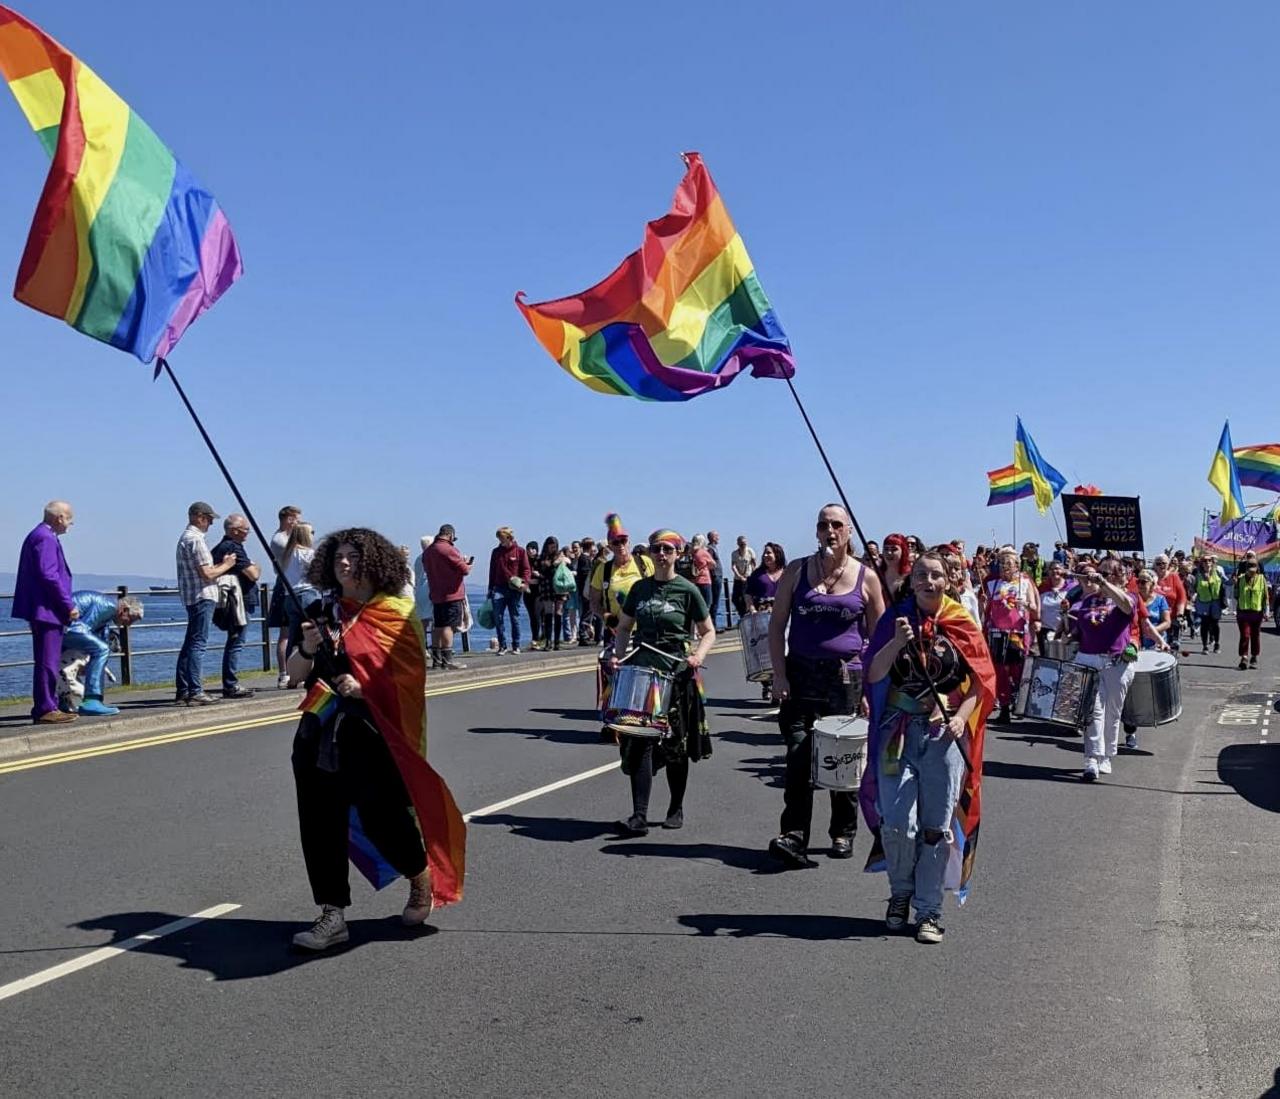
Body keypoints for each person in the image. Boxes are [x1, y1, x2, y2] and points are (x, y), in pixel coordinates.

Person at [286, 527, 467, 951]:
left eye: (353, 556)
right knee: (319, 823)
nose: (344, 564)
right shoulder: (322, 610)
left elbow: (407, 679)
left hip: (372, 734)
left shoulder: (396, 615)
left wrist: (364, 688)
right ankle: (332, 914)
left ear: (374, 563)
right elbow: (295, 674)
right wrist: (309, 650)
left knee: (381, 818)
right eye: (337, 558)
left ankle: (419, 873)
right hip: (318, 731)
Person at [861, 550, 996, 944]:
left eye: (936, 575)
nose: (928, 581)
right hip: (897, 733)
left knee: (936, 828)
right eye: (921, 574)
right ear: (912, 578)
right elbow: (874, 672)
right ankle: (900, 894)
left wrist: (959, 714)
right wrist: (895, 643)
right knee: (899, 823)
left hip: (945, 739)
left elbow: (982, 680)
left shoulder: (960, 621)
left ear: (949, 580)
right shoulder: (896, 618)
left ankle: (929, 911)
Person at [767, 504, 885, 866]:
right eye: (823, 525)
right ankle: (795, 835)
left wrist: (870, 690)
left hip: (844, 679)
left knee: (843, 758)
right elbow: (775, 626)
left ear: (849, 531)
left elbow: (879, 639)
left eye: (837, 525)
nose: (829, 531)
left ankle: (843, 831)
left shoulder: (866, 577)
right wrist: (780, 675)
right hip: (801, 675)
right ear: (816, 531)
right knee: (799, 757)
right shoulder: (797, 571)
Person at [608, 529, 716, 835]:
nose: (661, 554)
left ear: (678, 554)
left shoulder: (688, 590)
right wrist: (619, 657)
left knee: (675, 745)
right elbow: (626, 627)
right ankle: (639, 815)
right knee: (639, 741)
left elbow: (708, 630)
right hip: (643, 672)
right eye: (656, 549)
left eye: (667, 549)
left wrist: (697, 655)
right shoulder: (640, 589)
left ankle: (675, 807)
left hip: (676, 672)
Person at [1067, 560, 1137, 781]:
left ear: (1117, 576)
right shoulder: (1087, 600)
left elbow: (1126, 606)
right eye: (1100, 573)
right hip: (1088, 659)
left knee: (1112, 713)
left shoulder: (1127, 598)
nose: (1098, 576)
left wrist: (1105, 584)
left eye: (1106, 573)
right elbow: (1080, 629)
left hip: (1116, 663)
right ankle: (1091, 758)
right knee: (1092, 711)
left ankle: (1107, 754)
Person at [12, 501, 79, 725]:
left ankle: (47, 704)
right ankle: (45, 707)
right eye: (69, 519)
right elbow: (49, 576)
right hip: (47, 609)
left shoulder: (40, 535)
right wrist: (67, 605)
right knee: (47, 660)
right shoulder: (45, 538)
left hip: (42, 608)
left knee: (46, 659)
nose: (71, 524)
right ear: (59, 517)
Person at [175, 502, 238, 706]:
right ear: (199, 517)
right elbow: (207, 573)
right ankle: (195, 690)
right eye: (209, 519)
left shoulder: (185, 538)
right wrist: (227, 565)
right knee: (198, 644)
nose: (211, 523)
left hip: (191, 596)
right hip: (202, 596)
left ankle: (184, 689)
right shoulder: (196, 540)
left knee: (190, 643)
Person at [60, 592, 144, 715]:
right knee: (102, 649)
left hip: (58, 623)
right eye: (131, 619)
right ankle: (92, 700)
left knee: (65, 663)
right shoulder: (108, 607)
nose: (128, 625)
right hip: (68, 626)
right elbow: (85, 627)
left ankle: (61, 700)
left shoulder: (107, 611)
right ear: (124, 610)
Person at [982, 549, 1040, 723]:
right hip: (997, 633)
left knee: (1018, 670)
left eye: (1008, 563)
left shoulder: (1024, 582)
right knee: (1000, 671)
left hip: (1018, 634)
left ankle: (1020, 703)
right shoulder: (993, 584)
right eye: (1002, 563)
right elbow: (986, 610)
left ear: (1017, 565)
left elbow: (1035, 608)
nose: (1004, 567)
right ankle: (1004, 707)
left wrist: (1026, 604)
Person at [211, 514, 263, 699]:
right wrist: (257, 567)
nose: (247, 533)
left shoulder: (220, 547)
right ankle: (230, 684)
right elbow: (253, 574)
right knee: (236, 642)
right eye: (245, 530)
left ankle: (230, 683)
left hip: (231, 601)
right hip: (238, 601)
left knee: (235, 641)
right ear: (234, 530)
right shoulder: (233, 548)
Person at [424, 524, 471, 670]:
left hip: (436, 593)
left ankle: (437, 660)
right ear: (450, 535)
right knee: (448, 626)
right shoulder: (448, 549)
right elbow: (464, 570)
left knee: (437, 626)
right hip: (451, 594)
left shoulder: (428, 552)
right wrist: (467, 565)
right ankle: (448, 660)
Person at [268, 506, 302, 688]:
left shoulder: (287, 538)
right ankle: (284, 673)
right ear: (288, 519)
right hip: (285, 584)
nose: (298, 523)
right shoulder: (280, 540)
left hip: (291, 584)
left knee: (294, 631)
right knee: (286, 632)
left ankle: (294, 670)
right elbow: (298, 553)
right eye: (296, 519)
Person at [279, 521, 317, 670]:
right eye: (312, 533)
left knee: (293, 636)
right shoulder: (307, 554)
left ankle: (289, 672)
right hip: (307, 594)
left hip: (290, 596)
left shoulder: (287, 555)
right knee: (311, 634)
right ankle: (311, 669)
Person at [488, 527, 531, 655]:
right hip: (499, 588)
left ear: (509, 537)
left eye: (502, 538)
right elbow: (492, 571)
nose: (500, 540)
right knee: (498, 617)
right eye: (499, 538)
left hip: (514, 589)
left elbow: (526, 569)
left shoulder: (520, 551)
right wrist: (490, 589)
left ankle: (516, 645)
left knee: (515, 617)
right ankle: (502, 645)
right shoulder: (496, 552)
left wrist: (524, 583)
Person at [535, 536, 570, 652]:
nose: (553, 548)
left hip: (559, 586)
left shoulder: (560, 555)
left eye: (554, 546)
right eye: (551, 546)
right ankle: (549, 641)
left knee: (558, 613)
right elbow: (541, 569)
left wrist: (563, 561)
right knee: (548, 613)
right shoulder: (542, 557)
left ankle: (556, 642)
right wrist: (554, 564)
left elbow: (568, 566)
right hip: (547, 586)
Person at [1234, 554, 1268, 671]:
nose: (1251, 571)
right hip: (1243, 612)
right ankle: (1244, 657)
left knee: (1255, 635)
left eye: (1254, 568)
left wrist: (1266, 611)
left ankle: (1254, 656)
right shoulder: (1240, 578)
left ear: (1257, 568)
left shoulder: (1262, 579)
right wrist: (1235, 584)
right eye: (1250, 567)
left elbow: (1265, 597)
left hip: (1257, 613)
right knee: (1245, 635)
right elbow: (1235, 595)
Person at [1151, 554, 1186, 655]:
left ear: (1168, 564)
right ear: (1155, 565)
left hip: (1172, 618)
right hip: (1156, 619)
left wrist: (1180, 614)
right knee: (1157, 648)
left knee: (1171, 647)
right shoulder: (1151, 578)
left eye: (1164, 563)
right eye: (1158, 563)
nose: (1161, 565)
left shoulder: (1174, 577)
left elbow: (1181, 596)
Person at [1193, 555, 1225, 655]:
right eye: (1205, 561)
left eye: (1209, 560)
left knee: (1215, 624)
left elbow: (1228, 582)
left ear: (1212, 562)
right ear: (1202, 563)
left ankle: (1217, 644)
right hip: (1203, 603)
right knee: (1205, 624)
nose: (1207, 562)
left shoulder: (1218, 572)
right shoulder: (1197, 574)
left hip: (1215, 602)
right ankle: (1205, 646)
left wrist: (1234, 579)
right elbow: (1193, 588)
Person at [1037, 560, 1071, 654]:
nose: (1054, 571)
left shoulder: (1072, 588)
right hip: (1045, 631)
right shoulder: (1042, 588)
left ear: (1063, 570)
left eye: (1057, 569)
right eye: (1051, 569)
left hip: (1065, 632)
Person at [745, 542, 786, 612]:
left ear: (777, 554)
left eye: (768, 553)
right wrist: (752, 609)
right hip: (761, 612)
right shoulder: (757, 574)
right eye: (764, 553)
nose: (765, 555)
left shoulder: (788, 573)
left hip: (783, 611)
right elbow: (748, 595)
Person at [730, 535, 757, 618]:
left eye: (744, 544)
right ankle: (742, 614)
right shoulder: (734, 553)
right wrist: (739, 575)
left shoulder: (750, 551)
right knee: (735, 598)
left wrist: (754, 575)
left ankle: (746, 614)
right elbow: (733, 566)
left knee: (746, 597)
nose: (743, 545)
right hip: (738, 579)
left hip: (748, 577)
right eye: (741, 544)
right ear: (738, 544)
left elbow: (753, 564)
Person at [881, 533, 913, 601]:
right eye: (886, 549)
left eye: (894, 549)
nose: (889, 553)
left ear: (903, 551)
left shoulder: (911, 577)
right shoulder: (876, 575)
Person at [690, 533, 715, 609]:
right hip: (704, 580)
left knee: (696, 604)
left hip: (693, 580)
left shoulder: (690, 552)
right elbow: (713, 564)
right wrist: (705, 567)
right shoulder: (703, 552)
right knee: (707, 604)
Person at [706, 529, 724, 625]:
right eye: (717, 536)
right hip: (715, 576)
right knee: (714, 601)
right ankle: (713, 624)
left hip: (717, 575)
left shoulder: (714, 548)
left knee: (715, 602)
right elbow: (710, 563)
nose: (718, 538)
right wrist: (714, 574)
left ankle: (714, 623)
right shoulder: (710, 549)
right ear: (713, 538)